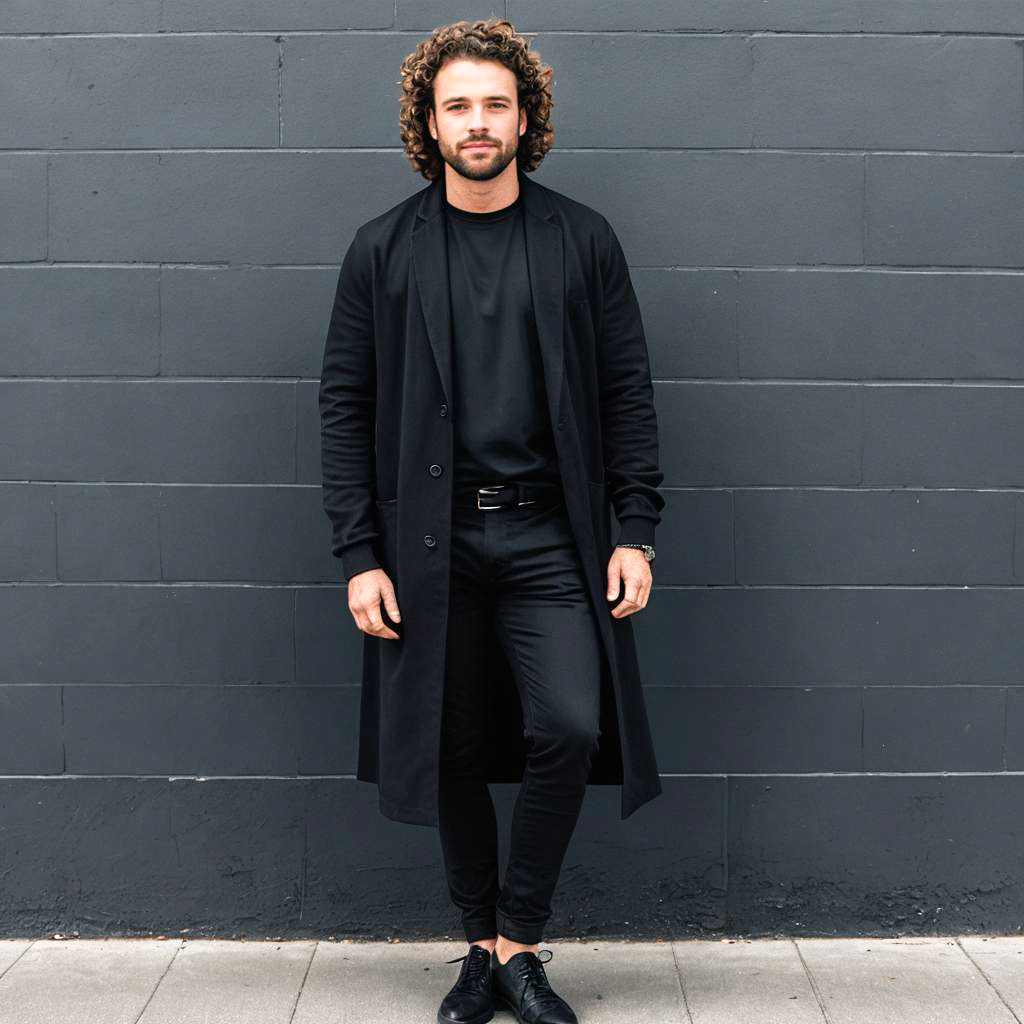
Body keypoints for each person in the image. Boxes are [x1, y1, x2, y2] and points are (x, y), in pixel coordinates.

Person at [318, 17, 664, 1024]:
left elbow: (627, 391)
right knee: (448, 745)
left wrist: (633, 529)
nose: (477, 122)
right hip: (428, 544)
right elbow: (344, 404)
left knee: (567, 723)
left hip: (549, 535)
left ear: (526, 117)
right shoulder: (382, 248)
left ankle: (520, 932)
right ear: (429, 121)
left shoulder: (580, 239)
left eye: (495, 104)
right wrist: (358, 554)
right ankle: (485, 946)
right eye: (457, 104)